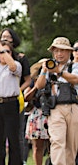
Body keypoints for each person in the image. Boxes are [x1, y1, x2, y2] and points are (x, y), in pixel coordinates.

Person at [32, 37, 78, 165]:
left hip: (73, 107)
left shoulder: (74, 66)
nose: (59, 54)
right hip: (55, 108)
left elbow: (75, 79)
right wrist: (44, 70)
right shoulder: (49, 66)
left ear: (69, 52)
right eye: (56, 50)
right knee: (57, 141)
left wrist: (59, 71)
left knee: (71, 144)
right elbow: (39, 86)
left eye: (62, 50)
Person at [0, 28, 31, 163]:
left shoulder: (20, 58)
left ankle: (20, 160)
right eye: (3, 37)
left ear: (14, 39)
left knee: (18, 133)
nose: (5, 39)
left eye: (8, 37)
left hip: (16, 99)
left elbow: (28, 79)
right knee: (0, 134)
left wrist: (17, 90)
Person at [24, 60, 50, 165]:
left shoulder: (54, 78)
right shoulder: (33, 81)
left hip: (51, 113)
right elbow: (26, 97)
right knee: (37, 147)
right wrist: (36, 86)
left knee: (54, 145)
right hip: (38, 113)